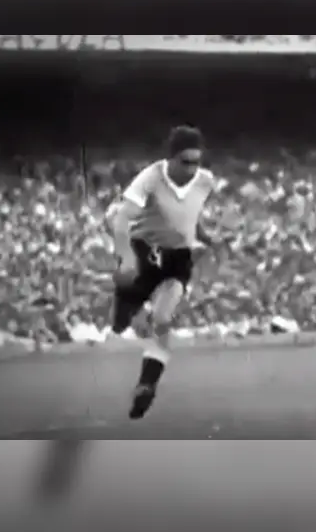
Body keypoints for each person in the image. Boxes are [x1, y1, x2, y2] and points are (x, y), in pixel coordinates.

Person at [108, 125, 220, 419]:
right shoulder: (149, 179)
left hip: (178, 259)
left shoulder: (205, 181)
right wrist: (127, 259)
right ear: (170, 159)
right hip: (145, 253)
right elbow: (121, 222)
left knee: (161, 319)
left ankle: (146, 385)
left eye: (197, 161)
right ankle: (124, 307)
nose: (192, 168)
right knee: (123, 324)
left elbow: (190, 217)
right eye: (185, 162)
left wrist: (206, 237)